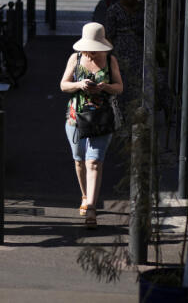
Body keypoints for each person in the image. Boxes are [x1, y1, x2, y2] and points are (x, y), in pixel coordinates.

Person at [60, 22, 124, 229]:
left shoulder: (110, 60)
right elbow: (63, 85)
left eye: (96, 49)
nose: (93, 53)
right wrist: (79, 84)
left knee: (94, 162)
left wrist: (105, 87)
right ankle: (85, 195)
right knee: (79, 160)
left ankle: (91, 208)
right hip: (75, 117)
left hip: (102, 118)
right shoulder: (75, 58)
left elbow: (120, 87)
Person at [105, 0, 144, 115]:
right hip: (121, 53)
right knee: (123, 83)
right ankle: (122, 114)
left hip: (139, 51)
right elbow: (109, 35)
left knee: (138, 83)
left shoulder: (142, 9)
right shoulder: (114, 11)